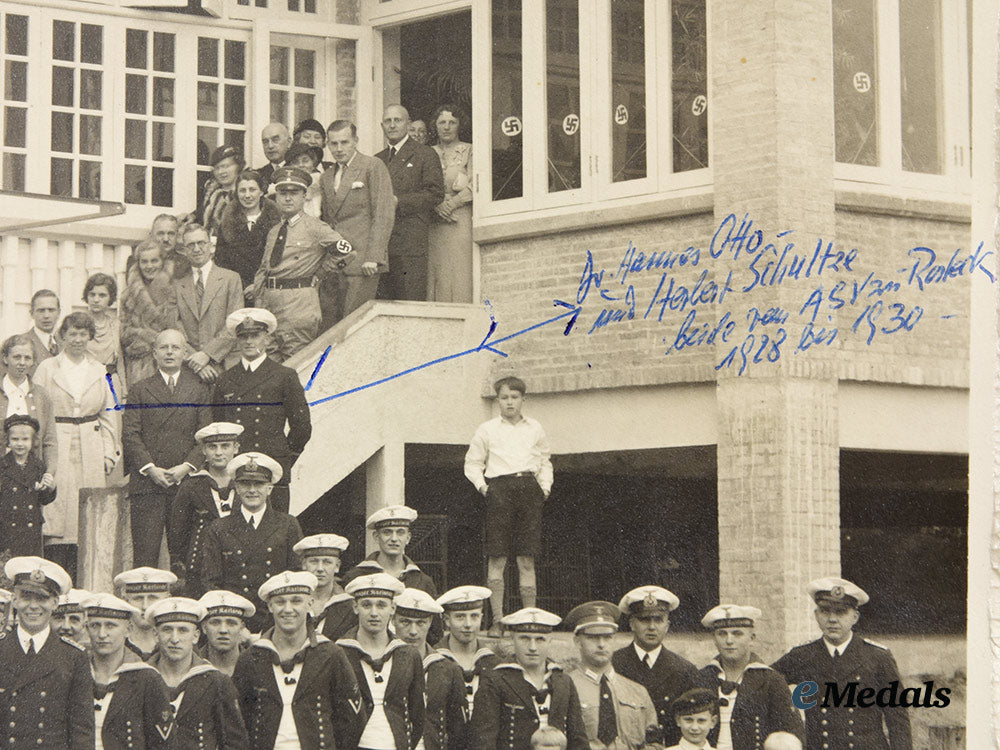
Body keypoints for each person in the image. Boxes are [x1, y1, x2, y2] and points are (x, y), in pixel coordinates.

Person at [771, 577, 912, 750]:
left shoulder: (877, 657)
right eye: (825, 611)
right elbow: (765, 683)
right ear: (816, 615)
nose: (832, 619)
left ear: (855, 617)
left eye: (840, 612)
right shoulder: (802, 656)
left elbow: (897, 720)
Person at [233, 570, 367, 749]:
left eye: (296, 601)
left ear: (310, 603)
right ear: (270, 606)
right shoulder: (251, 658)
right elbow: (239, 720)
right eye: (280, 602)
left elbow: (352, 721)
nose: (288, 609)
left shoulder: (331, 654)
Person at [33, 312, 120, 581]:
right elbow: (37, 409)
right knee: (57, 509)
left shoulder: (100, 370)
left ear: (90, 337)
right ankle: (55, 575)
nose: (78, 340)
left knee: (87, 512)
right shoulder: (48, 368)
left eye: (84, 334)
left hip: (91, 443)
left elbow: (110, 414)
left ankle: (85, 578)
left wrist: (109, 453)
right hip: (57, 440)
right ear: (63, 336)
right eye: (73, 334)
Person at [464, 375, 553, 630]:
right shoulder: (487, 429)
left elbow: (545, 460)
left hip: (528, 488)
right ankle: (497, 621)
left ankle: (529, 620)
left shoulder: (534, 427)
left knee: (527, 557)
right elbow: (472, 463)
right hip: (499, 489)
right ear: (498, 400)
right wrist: (484, 488)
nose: (509, 403)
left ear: (523, 399)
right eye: (504, 398)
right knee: (497, 556)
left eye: (514, 397)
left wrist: (544, 488)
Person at [122, 328, 212, 567]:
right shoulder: (140, 390)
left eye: (175, 348)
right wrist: (151, 469)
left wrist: (187, 467)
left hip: (186, 483)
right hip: (147, 484)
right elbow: (130, 434)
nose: (170, 352)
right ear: (154, 353)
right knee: (145, 557)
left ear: (184, 353)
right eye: (164, 347)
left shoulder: (199, 389)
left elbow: (205, 436)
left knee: (183, 558)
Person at [211, 307, 312, 513]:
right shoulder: (225, 379)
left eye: (255, 336)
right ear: (237, 341)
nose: (249, 342)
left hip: (272, 469)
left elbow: (301, 426)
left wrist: (283, 459)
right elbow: (218, 423)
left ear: (267, 339)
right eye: (243, 337)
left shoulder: (284, 376)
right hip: (237, 471)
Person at [248, 166, 353, 361]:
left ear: (305, 196)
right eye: (283, 193)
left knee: (296, 363)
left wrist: (320, 274)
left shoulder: (316, 227)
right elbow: (265, 269)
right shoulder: (274, 231)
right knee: (269, 365)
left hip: (298, 303)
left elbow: (347, 252)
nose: (288, 198)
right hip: (269, 304)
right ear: (276, 197)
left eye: (294, 193)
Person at [201, 451, 304, 632]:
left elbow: (295, 577)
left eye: (259, 484)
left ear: (270, 488)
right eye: (245, 484)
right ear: (237, 488)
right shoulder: (218, 528)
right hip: (234, 622)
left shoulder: (288, 525)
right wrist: (233, 623)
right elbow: (211, 582)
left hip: (276, 621)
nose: (252, 490)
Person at [0, 557, 93, 748]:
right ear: (15, 600)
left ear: (55, 603)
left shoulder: (74, 657)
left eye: (42, 598)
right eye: (26, 596)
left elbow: (82, 731)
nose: (33, 606)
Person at [469, 607, 588, 750]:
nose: (532, 647)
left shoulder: (563, 680)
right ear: (512, 638)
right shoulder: (495, 680)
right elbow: (483, 742)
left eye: (540, 639)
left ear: (549, 640)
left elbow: (578, 739)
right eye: (524, 638)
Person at [320, 119, 396, 325]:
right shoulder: (326, 177)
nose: (338, 149)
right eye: (333, 144)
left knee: (354, 323)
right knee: (332, 325)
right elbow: (328, 220)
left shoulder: (372, 166)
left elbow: (383, 212)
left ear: (355, 141)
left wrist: (374, 256)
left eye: (344, 142)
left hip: (363, 260)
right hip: (337, 261)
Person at [146, 596, 249, 748]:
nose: (175, 639)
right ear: (156, 634)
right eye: (167, 630)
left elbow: (235, 743)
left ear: (195, 636)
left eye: (183, 630)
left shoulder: (216, 681)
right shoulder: (140, 678)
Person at [338, 572, 425, 750]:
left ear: (393, 608)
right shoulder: (339, 653)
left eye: (381, 605)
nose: (374, 613)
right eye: (366, 605)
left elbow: (418, 714)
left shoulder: (408, 655)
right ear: (355, 607)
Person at [697, 605, 803, 750]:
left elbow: (792, 734)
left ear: (752, 638)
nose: (729, 640)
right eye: (722, 634)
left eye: (737, 633)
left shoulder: (771, 681)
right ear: (714, 639)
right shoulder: (701, 678)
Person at [611, 586, 700, 747]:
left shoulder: (685, 670)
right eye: (644, 619)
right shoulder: (613, 664)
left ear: (667, 625)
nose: (652, 627)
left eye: (658, 619)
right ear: (632, 624)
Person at [84, 592, 174, 749]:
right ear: (87, 629)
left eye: (111, 626)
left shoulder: (146, 678)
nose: (102, 634)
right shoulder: (77, 672)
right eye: (95, 625)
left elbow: (163, 743)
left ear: (128, 629)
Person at [564, 600, 660, 749]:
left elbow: (655, 744)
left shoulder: (637, 691)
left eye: (607, 637)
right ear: (577, 641)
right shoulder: (565, 687)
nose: (601, 644)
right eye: (592, 637)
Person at [375, 104, 445, 301]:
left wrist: (400, 201)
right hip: (382, 244)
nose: (392, 125)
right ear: (382, 126)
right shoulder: (377, 160)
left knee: (409, 300)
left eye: (397, 120)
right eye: (387, 121)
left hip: (409, 242)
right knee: (384, 303)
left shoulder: (424, 154)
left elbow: (435, 193)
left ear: (407, 124)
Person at [168, 422, 243, 596]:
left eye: (225, 446)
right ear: (203, 451)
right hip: (201, 567)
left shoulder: (246, 485)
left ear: (236, 448)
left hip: (240, 565)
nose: (218, 452)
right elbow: (178, 533)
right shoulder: (191, 486)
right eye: (212, 447)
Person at [392, 588, 466, 750]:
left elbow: (457, 729)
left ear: (430, 622)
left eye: (420, 623)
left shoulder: (447, 668)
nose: (413, 631)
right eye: (405, 622)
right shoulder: (385, 663)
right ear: (393, 620)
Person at [175, 222, 245, 383]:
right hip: (190, 368)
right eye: (191, 245)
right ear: (185, 251)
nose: (197, 249)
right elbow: (175, 327)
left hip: (225, 364)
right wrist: (195, 360)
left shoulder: (230, 279)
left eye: (201, 243)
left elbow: (234, 324)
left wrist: (207, 355)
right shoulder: (178, 285)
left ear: (210, 246)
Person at [428, 105, 474, 303]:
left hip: (459, 219)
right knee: (437, 269)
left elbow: (476, 184)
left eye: (452, 122)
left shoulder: (469, 150)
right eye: (442, 122)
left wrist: (453, 203)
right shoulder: (427, 152)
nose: (446, 127)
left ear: (459, 125)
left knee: (459, 267)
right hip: (435, 221)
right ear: (435, 126)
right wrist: (437, 205)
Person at [435, 585, 500, 726]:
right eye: (460, 617)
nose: (468, 624)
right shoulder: (434, 660)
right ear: (447, 620)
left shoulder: (494, 663)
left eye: (474, 616)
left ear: (482, 618)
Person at [120, 240, 181, 385]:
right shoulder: (129, 294)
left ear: (162, 261)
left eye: (154, 261)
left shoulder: (176, 289)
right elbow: (124, 333)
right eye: (144, 262)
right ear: (138, 264)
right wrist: (143, 335)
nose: (149, 266)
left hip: (171, 360)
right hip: (139, 363)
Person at [215, 169, 282, 289]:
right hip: (237, 289)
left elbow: (281, 261)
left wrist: (258, 285)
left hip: (268, 289)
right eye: (242, 190)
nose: (247, 195)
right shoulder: (227, 223)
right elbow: (221, 261)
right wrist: (242, 286)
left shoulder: (277, 222)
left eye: (252, 190)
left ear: (261, 191)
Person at [0, 414, 56, 556]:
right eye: (15, 439)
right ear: (8, 441)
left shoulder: (38, 466)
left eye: (25, 439)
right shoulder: (2, 465)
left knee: (29, 566)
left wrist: (50, 488)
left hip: (31, 529)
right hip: (7, 527)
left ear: (33, 441)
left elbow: (44, 499)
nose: (20, 444)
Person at [0, 333, 57, 471]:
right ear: (5, 358)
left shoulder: (41, 395)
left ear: (33, 362)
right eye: (16, 357)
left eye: (27, 358)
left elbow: (49, 441)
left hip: (32, 475)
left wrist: (49, 472)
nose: (22, 362)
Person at [294, 532, 357, 639]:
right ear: (304, 565)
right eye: (314, 562)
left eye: (327, 562)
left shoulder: (350, 606)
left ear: (337, 566)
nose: (320, 568)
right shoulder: (290, 601)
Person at [114, 566, 178, 659]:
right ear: (125, 601)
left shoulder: (176, 645)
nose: (145, 606)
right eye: (138, 598)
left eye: (152, 598)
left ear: (166, 600)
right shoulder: (115, 645)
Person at [199, 589, 256, 676]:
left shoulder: (256, 666)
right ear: (204, 627)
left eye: (231, 623)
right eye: (215, 623)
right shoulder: (191, 666)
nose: (223, 630)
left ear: (241, 628)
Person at [83, 272, 125, 387]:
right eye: (92, 294)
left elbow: (120, 360)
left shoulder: (116, 325)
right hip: (85, 380)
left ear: (110, 298)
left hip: (110, 380)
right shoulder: (79, 322)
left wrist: (124, 391)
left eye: (102, 295)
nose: (96, 300)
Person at [201, 144, 245, 236]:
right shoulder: (211, 194)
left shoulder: (245, 194)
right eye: (217, 168)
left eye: (226, 166)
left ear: (239, 166)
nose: (221, 172)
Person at [19, 289, 61, 377]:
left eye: (51, 310)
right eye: (41, 310)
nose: (46, 316)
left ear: (59, 313)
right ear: (32, 313)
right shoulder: (19, 343)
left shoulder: (66, 343)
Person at [280, 141, 325, 217]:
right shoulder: (283, 186)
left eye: (305, 161)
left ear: (313, 163)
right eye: (296, 162)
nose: (301, 165)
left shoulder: (321, 181)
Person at [256, 122, 294, 189]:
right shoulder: (258, 176)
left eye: (275, 140)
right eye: (265, 142)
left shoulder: (298, 170)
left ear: (289, 142)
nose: (270, 146)